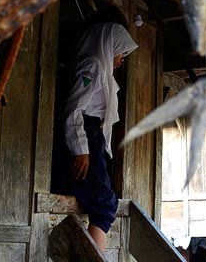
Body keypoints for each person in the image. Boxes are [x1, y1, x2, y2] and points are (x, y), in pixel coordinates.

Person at [61, 22, 138, 249]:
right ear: (108, 45)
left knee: (104, 202)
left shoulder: (102, 72)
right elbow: (73, 109)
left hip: (93, 137)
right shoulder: (92, 66)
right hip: (85, 134)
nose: (123, 57)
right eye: (120, 50)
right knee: (104, 204)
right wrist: (81, 150)